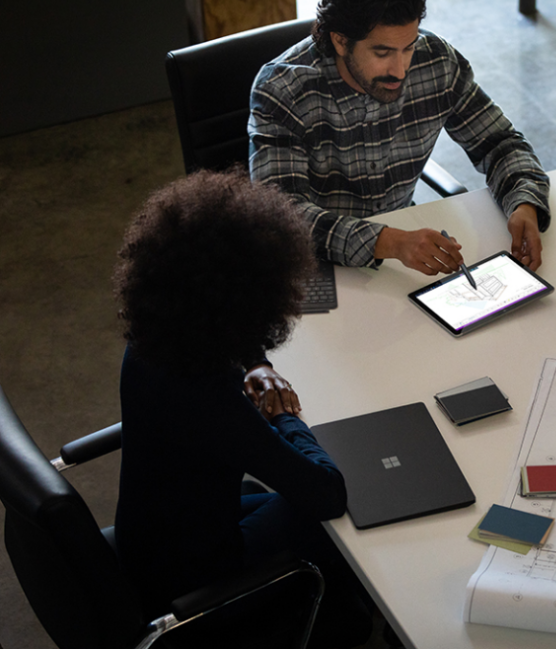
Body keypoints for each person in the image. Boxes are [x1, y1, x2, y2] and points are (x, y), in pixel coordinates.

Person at [112, 169, 371, 647]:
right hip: (193, 581)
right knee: (341, 523)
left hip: (150, 541)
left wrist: (257, 363)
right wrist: (284, 415)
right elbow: (326, 493)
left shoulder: (153, 340)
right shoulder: (205, 397)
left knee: (277, 498)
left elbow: (221, 313)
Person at [250, 0, 551, 276]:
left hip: (400, 259)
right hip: (317, 264)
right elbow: (283, 216)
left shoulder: (436, 62)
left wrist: (523, 203)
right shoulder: (283, 90)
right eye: (382, 52)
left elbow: (501, 144)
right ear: (340, 41)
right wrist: (389, 242)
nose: (400, 69)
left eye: (408, 47)